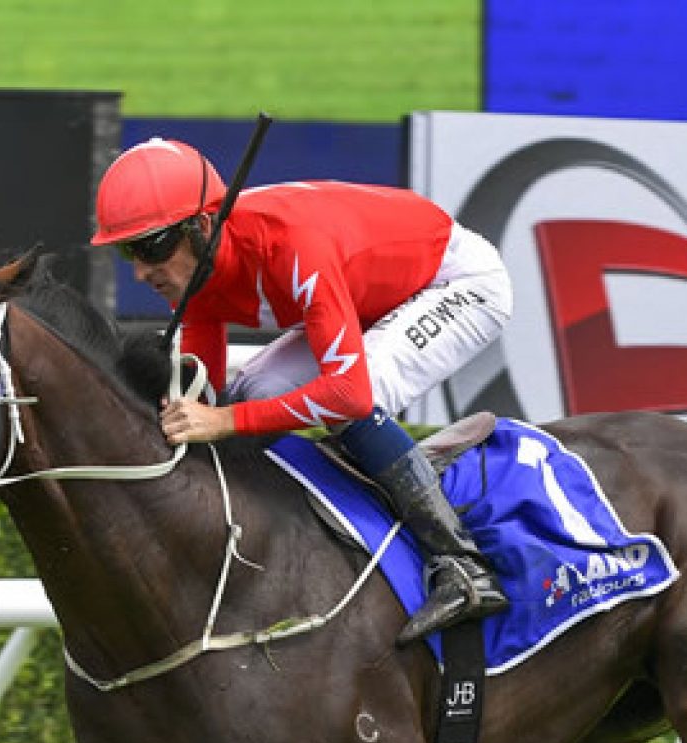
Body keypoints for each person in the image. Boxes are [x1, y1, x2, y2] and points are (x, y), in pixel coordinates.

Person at [90, 137, 514, 646]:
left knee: (357, 392)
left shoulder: (293, 248)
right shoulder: (198, 268)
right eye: (128, 251)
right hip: (367, 292)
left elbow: (348, 395)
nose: (140, 271)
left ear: (202, 226)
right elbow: (212, 388)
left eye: (152, 247)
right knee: (253, 392)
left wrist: (222, 422)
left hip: (455, 283)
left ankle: (463, 565)